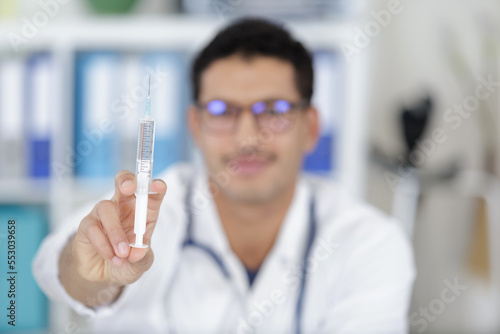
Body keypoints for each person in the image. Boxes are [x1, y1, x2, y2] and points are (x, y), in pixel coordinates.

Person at [33, 18, 415, 334]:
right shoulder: (147, 217)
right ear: (194, 126)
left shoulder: (368, 243)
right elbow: (57, 269)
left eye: (275, 109)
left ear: (311, 127)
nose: (248, 137)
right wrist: (92, 276)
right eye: (221, 110)